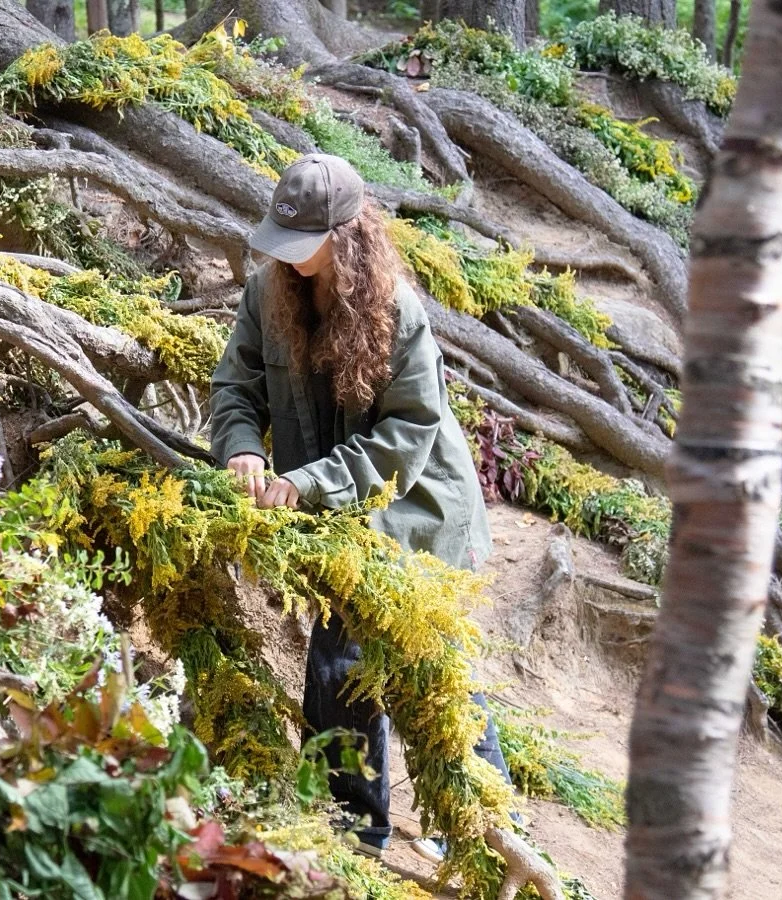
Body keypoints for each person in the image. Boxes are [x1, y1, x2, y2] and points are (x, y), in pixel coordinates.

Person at [209, 154, 514, 863]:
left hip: (419, 515)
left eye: (303, 245)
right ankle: (355, 827)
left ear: (345, 238)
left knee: (429, 670)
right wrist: (242, 449)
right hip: (336, 515)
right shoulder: (268, 294)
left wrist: (310, 483)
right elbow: (234, 389)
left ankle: (478, 824)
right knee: (339, 670)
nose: (287, 260)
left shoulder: (397, 312)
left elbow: (406, 435)